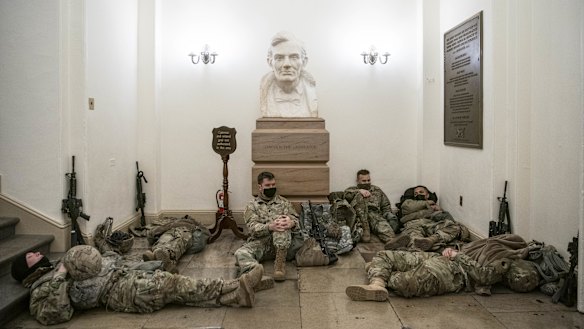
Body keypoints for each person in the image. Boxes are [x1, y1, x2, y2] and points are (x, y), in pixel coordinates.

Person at [11, 245, 263, 326]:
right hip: (122, 292)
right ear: (28, 269)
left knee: (178, 286)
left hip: (123, 276)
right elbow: (56, 314)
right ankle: (233, 288)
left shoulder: (56, 264)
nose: (35, 252)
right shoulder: (41, 287)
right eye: (30, 256)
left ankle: (234, 290)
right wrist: (59, 276)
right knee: (176, 286)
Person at [345, 247, 511, 301]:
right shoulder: (495, 244)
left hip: (450, 273)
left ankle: (377, 272)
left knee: (406, 284)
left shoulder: (507, 262)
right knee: (385, 255)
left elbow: (484, 276)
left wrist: (457, 255)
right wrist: (452, 251)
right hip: (437, 257)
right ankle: (377, 284)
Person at [234, 171, 304, 281]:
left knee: (281, 225)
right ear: (260, 187)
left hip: (285, 245)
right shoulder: (252, 206)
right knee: (240, 253)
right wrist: (270, 227)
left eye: (273, 185)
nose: (271, 187)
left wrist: (291, 223)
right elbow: (253, 228)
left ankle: (279, 267)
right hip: (262, 244)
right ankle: (254, 274)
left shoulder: (284, 202)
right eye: (267, 185)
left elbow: (296, 220)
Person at [384, 185, 468, 251]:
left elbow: (448, 219)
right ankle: (430, 245)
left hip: (430, 225)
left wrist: (440, 210)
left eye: (421, 192)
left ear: (427, 195)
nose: (418, 194)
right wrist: (427, 205)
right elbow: (409, 208)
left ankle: (431, 240)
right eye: (416, 193)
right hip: (414, 225)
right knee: (415, 240)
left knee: (455, 227)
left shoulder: (434, 206)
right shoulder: (408, 202)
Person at [260, 31, 318, 118]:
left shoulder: (309, 92)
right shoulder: (265, 91)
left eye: (294, 57)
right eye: (279, 58)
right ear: (270, 62)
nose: (287, 64)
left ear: (304, 62)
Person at [344, 169, 397, 243]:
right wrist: (359, 191)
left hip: (374, 216)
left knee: (382, 226)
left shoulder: (377, 190)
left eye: (368, 180)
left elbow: (385, 205)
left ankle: (392, 242)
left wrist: (388, 215)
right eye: (364, 181)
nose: (367, 182)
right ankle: (365, 230)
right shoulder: (352, 190)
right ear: (357, 181)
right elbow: (345, 195)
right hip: (359, 218)